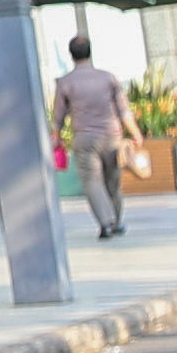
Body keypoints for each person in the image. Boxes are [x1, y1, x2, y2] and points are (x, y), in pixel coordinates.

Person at [55, 32, 131, 240]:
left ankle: (105, 223)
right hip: (112, 136)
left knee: (92, 181)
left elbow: (58, 116)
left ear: (71, 55)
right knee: (112, 180)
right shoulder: (108, 78)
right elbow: (124, 110)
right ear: (90, 52)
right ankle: (116, 221)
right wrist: (136, 133)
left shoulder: (65, 82)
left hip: (85, 138)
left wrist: (57, 136)